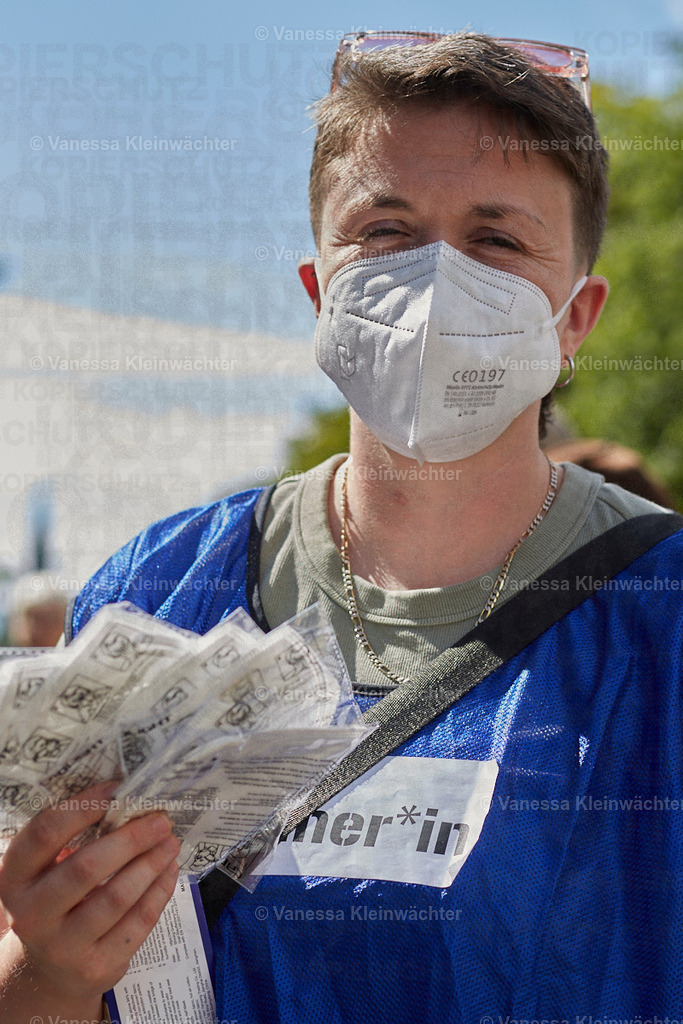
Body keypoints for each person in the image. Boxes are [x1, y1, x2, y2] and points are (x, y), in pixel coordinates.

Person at [1, 30, 682, 1023]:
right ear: (320, 293)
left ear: (574, 319)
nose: (435, 283)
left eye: (494, 240)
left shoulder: (657, 626)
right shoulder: (156, 593)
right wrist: (55, 971)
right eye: (385, 232)